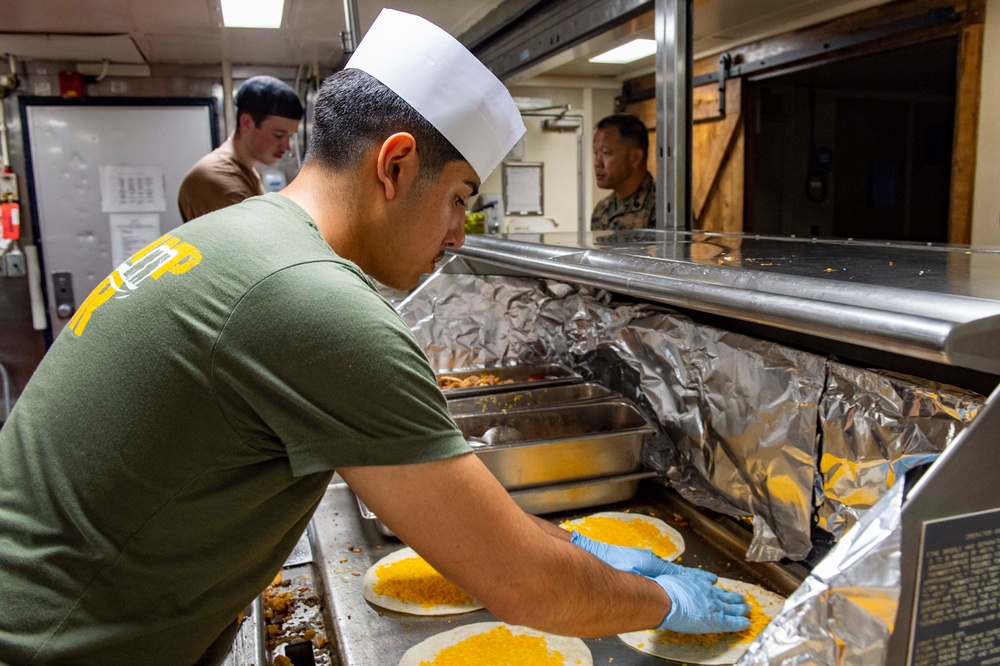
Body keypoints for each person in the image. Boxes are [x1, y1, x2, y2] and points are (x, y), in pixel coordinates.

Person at [0, 10, 749, 666]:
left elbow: (478, 521)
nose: (458, 235)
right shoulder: (314, 303)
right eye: (457, 197)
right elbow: (524, 586)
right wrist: (657, 600)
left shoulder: (244, 235)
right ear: (395, 164)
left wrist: (579, 547)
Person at [177, 75, 304, 222]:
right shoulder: (220, 179)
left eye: (290, 136)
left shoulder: (244, 170)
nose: (286, 147)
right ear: (247, 123)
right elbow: (254, 242)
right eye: (279, 135)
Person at [591, 113, 657, 230]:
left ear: (635, 157)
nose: (597, 163)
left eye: (606, 153)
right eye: (596, 153)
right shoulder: (601, 210)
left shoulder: (663, 210)